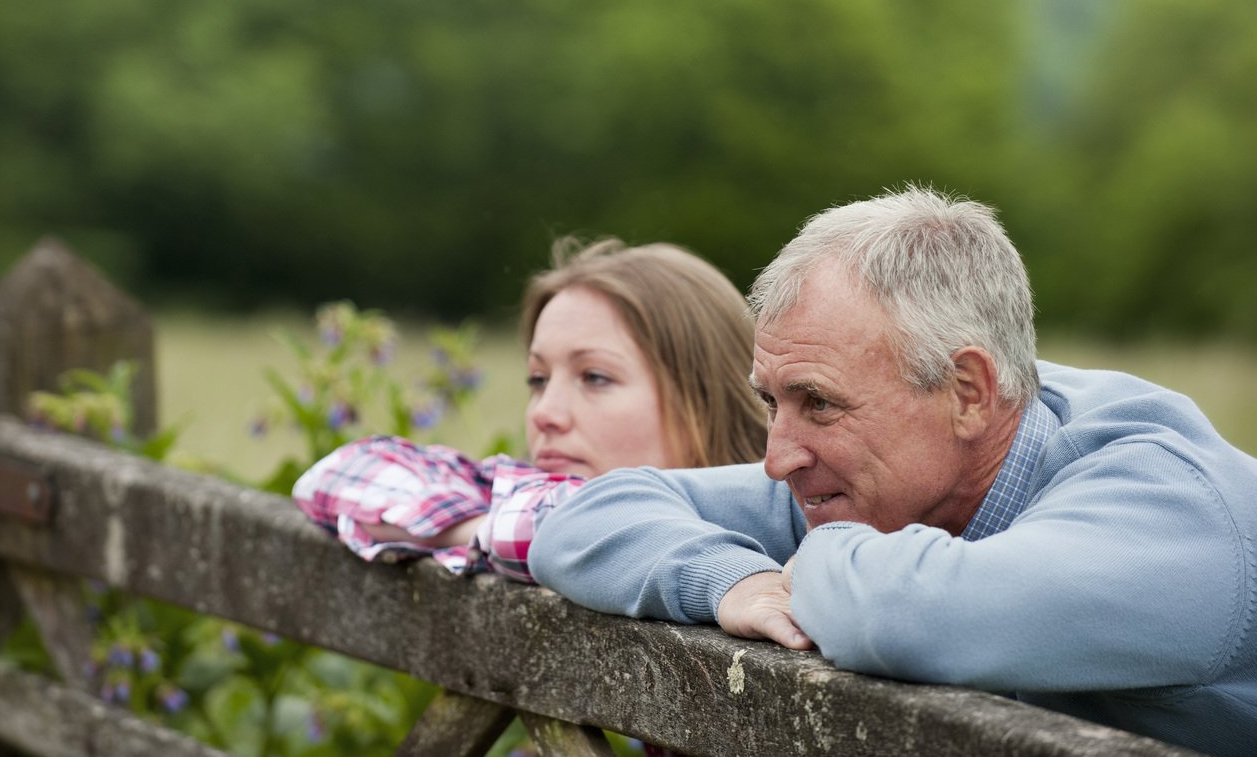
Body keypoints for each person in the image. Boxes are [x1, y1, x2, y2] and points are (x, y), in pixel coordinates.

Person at [527, 186, 1257, 757]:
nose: (776, 456)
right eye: (771, 401)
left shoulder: (1169, 505)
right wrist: (730, 580)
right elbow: (587, 518)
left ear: (968, 391)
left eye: (817, 402)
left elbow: (902, 613)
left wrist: (810, 561)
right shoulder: (888, 471)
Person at [292, 236, 768, 581]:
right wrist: (487, 527)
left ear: (704, 396)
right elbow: (335, 475)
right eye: (538, 379)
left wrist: (528, 531)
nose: (545, 413)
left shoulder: (782, 529)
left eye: (595, 377)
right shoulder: (525, 502)